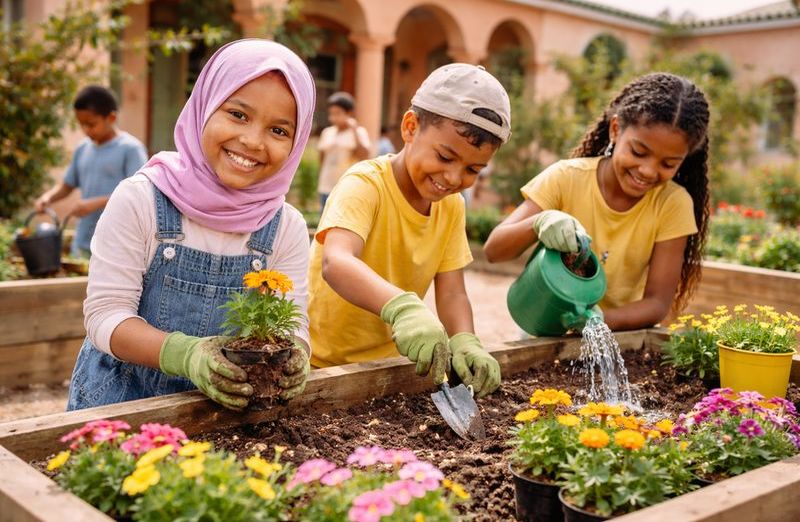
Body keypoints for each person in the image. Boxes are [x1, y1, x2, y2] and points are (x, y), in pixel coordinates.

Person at [66, 39, 316, 411]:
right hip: (120, 407)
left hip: (222, 418)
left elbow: (292, 323)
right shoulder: (141, 200)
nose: (251, 141)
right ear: (204, 107)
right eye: (238, 114)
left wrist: (296, 355)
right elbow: (105, 316)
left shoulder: (285, 227)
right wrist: (185, 354)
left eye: (279, 131)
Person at [308, 64, 510, 398]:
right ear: (411, 127)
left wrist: (465, 339)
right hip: (322, 366)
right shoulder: (366, 183)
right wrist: (403, 308)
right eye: (445, 156)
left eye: (473, 169)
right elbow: (337, 262)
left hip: (390, 369)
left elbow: (452, 292)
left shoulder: (452, 205)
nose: (453, 178)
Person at [484, 72, 710, 331]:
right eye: (638, 152)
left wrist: (596, 321)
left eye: (668, 163)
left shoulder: (672, 204)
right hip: (544, 332)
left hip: (616, 336)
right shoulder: (566, 178)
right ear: (616, 130)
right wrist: (539, 223)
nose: (648, 170)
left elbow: (657, 303)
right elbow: (493, 250)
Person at [34, 85, 148, 258]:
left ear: (111, 118)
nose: (86, 130)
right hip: (83, 239)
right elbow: (67, 185)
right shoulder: (82, 148)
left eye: (91, 124)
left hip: (117, 242)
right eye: (81, 125)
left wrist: (94, 203)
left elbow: (140, 195)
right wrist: (47, 198)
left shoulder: (131, 149)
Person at [316, 92, 371, 210]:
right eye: (331, 113)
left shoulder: (359, 132)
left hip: (347, 188)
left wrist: (354, 129)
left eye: (338, 113)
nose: (333, 118)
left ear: (349, 113)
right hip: (326, 187)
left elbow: (364, 156)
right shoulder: (327, 132)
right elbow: (321, 158)